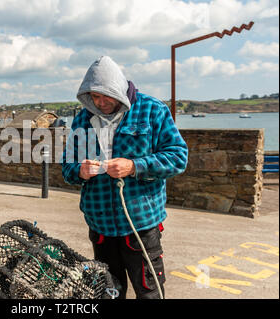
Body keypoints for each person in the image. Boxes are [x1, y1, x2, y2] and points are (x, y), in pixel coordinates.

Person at [61, 56, 188, 299]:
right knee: (108, 294)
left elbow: (178, 157)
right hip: (100, 227)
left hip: (140, 225)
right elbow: (67, 166)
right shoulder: (81, 120)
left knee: (149, 294)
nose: (100, 102)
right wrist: (79, 170)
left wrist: (133, 166)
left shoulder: (153, 110)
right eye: (94, 97)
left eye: (105, 96)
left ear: (118, 89)